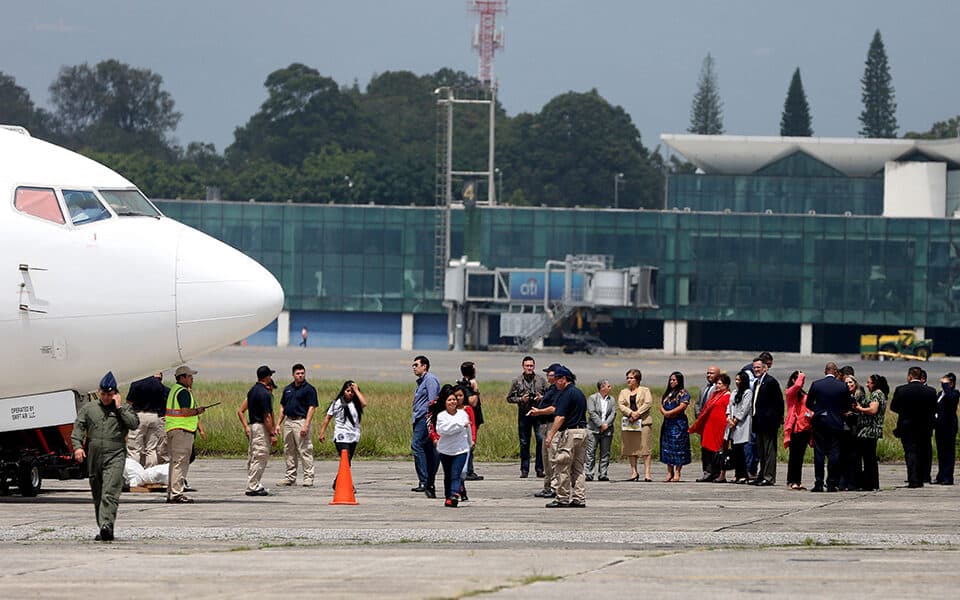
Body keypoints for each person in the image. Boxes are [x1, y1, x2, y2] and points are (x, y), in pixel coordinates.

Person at [72, 372, 140, 541]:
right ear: (98, 391)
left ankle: (107, 525)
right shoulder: (90, 408)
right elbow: (79, 427)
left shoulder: (123, 409)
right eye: (103, 394)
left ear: (115, 394)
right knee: (98, 492)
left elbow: (134, 424)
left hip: (115, 453)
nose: (106, 397)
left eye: (110, 395)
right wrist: (78, 447)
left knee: (110, 491)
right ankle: (102, 525)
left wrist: (119, 408)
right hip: (94, 454)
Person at [544, 366, 588, 508]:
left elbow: (560, 417)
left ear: (564, 379)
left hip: (570, 433)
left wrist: (550, 435)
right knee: (578, 468)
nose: (555, 382)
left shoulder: (566, 393)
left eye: (557, 379)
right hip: (582, 432)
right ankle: (579, 498)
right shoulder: (579, 392)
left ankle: (562, 498)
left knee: (562, 465)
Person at [890, 366, 938, 488]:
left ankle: (913, 479)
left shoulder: (901, 390)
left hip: (907, 426)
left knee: (910, 453)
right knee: (922, 452)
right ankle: (922, 477)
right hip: (924, 427)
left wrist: (905, 411)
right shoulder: (931, 391)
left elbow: (893, 407)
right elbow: (935, 409)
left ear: (910, 376)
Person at [165, 365, 206, 503]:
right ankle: (177, 494)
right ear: (182, 377)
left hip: (173, 429)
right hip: (182, 431)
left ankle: (171, 492)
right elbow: (185, 411)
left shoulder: (174, 390)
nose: (192, 378)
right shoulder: (183, 392)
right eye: (189, 376)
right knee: (180, 463)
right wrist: (198, 411)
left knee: (174, 463)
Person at [806, 362, 849, 492]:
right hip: (836, 422)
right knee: (834, 453)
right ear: (836, 372)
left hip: (820, 422)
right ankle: (831, 483)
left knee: (819, 453)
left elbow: (808, 403)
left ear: (825, 371)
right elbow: (847, 405)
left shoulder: (816, 384)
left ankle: (818, 482)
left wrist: (818, 411)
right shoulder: (842, 386)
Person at [275, 363, 318, 487]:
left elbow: (312, 407)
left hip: (301, 421)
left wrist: (306, 425)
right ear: (293, 375)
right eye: (298, 373)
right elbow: (283, 406)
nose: (300, 376)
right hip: (288, 421)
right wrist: (278, 424)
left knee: (305, 450)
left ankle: (308, 477)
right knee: (289, 450)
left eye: (302, 373)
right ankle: (290, 477)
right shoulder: (288, 389)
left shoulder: (309, 389)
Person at [238, 366, 278, 496]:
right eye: (270, 376)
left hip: (253, 426)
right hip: (261, 427)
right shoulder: (265, 394)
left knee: (254, 456)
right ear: (266, 377)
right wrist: (272, 433)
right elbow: (266, 416)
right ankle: (253, 486)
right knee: (260, 455)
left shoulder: (252, 391)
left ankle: (254, 482)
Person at [318, 380, 367, 489]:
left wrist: (356, 390)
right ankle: (348, 485)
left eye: (352, 392)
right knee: (346, 459)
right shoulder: (337, 403)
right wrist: (322, 432)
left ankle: (337, 482)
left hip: (353, 435)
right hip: (341, 436)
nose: (350, 393)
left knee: (348, 462)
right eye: (348, 391)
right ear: (343, 391)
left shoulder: (356, 403)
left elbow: (364, 403)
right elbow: (328, 418)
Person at [506, 356, 549, 478]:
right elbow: (509, 398)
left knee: (540, 440)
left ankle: (539, 468)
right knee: (524, 442)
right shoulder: (517, 381)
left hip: (538, 413)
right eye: (527, 366)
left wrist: (542, 398)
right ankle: (524, 469)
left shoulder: (541, 380)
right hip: (524, 414)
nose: (529, 368)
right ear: (523, 366)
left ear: (534, 366)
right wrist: (521, 399)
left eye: (531, 365)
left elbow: (550, 395)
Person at [433, 385, 472, 507]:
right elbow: (443, 430)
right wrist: (459, 425)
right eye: (449, 400)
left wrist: (470, 443)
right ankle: (448, 496)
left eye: (454, 399)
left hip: (461, 450)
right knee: (448, 475)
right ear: (444, 402)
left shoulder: (463, 414)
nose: (452, 402)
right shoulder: (441, 416)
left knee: (456, 474)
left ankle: (454, 494)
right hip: (445, 450)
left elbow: (468, 430)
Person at [689, 372, 731, 482]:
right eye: (717, 383)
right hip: (709, 426)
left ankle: (718, 473)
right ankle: (709, 472)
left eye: (720, 384)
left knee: (718, 450)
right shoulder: (714, 395)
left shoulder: (728, 396)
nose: (717, 386)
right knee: (707, 449)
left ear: (726, 385)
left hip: (719, 426)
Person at [526, 364, 560, 498]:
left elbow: (554, 408)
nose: (547, 376)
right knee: (545, 457)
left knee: (552, 457)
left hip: (551, 425)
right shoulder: (551, 388)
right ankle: (547, 486)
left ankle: (554, 487)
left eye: (550, 374)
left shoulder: (559, 390)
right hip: (544, 425)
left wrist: (539, 411)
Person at [750, 355, 783, 486]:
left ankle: (769, 477)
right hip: (758, 423)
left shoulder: (771, 382)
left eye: (758, 367)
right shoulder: (758, 382)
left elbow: (778, 403)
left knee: (769, 451)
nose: (756, 370)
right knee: (761, 451)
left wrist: (774, 420)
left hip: (768, 424)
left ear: (765, 368)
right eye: (754, 368)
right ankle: (761, 474)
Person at [411, 355, 440, 497]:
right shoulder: (421, 382)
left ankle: (424, 480)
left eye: (416, 365)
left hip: (425, 418)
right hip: (419, 418)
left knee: (416, 445)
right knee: (428, 449)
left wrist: (431, 420)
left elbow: (433, 401)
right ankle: (428, 480)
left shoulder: (430, 380)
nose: (414, 367)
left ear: (425, 366)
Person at [125, 371, 168, 468]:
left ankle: (135, 471)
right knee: (151, 449)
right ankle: (150, 472)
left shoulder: (136, 382)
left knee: (135, 448)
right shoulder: (158, 384)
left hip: (139, 415)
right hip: (154, 416)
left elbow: (129, 402)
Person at [853, 373, 887, 491]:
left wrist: (860, 409)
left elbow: (873, 410)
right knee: (870, 458)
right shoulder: (879, 394)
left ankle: (869, 483)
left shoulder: (876, 394)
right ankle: (872, 483)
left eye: (869, 382)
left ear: (874, 384)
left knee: (868, 458)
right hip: (873, 430)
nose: (867, 385)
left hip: (869, 430)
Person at [618, 368, 653, 481]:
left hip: (643, 422)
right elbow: (621, 405)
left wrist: (637, 413)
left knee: (645, 448)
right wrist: (630, 413)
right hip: (630, 422)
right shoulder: (624, 392)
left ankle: (647, 473)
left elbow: (648, 403)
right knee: (631, 448)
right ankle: (634, 472)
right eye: (627, 378)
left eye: (631, 378)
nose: (629, 380)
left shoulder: (645, 390)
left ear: (637, 379)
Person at [659, 371, 692, 482]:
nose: (672, 382)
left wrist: (671, 413)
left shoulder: (683, 393)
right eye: (671, 380)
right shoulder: (667, 393)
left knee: (678, 447)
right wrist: (664, 412)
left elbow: (683, 406)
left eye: (674, 380)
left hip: (678, 423)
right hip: (667, 423)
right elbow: (661, 406)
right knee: (667, 447)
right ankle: (669, 471)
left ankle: (677, 472)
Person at [783, 370, 812, 490]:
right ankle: (792, 480)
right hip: (794, 428)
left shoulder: (803, 393)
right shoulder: (790, 392)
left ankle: (797, 480)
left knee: (800, 456)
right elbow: (797, 385)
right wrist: (801, 375)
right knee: (794, 456)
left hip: (804, 427)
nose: (802, 382)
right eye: (800, 379)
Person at [585, 379, 616, 482]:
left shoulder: (611, 400)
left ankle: (603, 473)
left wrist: (606, 424)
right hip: (593, 429)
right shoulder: (592, 398)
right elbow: (592, 412)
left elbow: (613, 413)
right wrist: (600, 424)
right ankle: (589, 473)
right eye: (608, 386)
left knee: (605, 452)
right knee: (591, 451)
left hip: (607, 430)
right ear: (602, 387)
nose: (610, 388)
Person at [726, 370, 753, 484]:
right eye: (736, 380)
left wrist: (735, 420)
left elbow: (744, 408)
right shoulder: (734, 392)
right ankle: (737, 474)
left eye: (739, 380)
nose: (737, 382)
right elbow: (729, 405)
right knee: (735, 451)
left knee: (742, 450)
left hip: (741, 424)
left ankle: (743, 475)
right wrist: (728, 417)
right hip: (732, 423)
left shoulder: (747, 392)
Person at [458, 361, 484, 481]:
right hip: (469, 419)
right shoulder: (466, 386)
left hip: (472, 418)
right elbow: (472, 401)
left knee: (470, 444)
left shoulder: (465, 384)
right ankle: (468, 470)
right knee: (469, 444)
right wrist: (476, 389)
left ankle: (469, 469)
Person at [934, 372, 959, 485]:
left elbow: (950, 397)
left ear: (952, 383)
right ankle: (941, 475)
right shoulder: (940, 394)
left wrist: (946, 385)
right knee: (941, 452)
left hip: (949, 426)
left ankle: (948, 477)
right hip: (940, 427)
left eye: (945, 383)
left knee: (949, 452)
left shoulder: (954, 393)